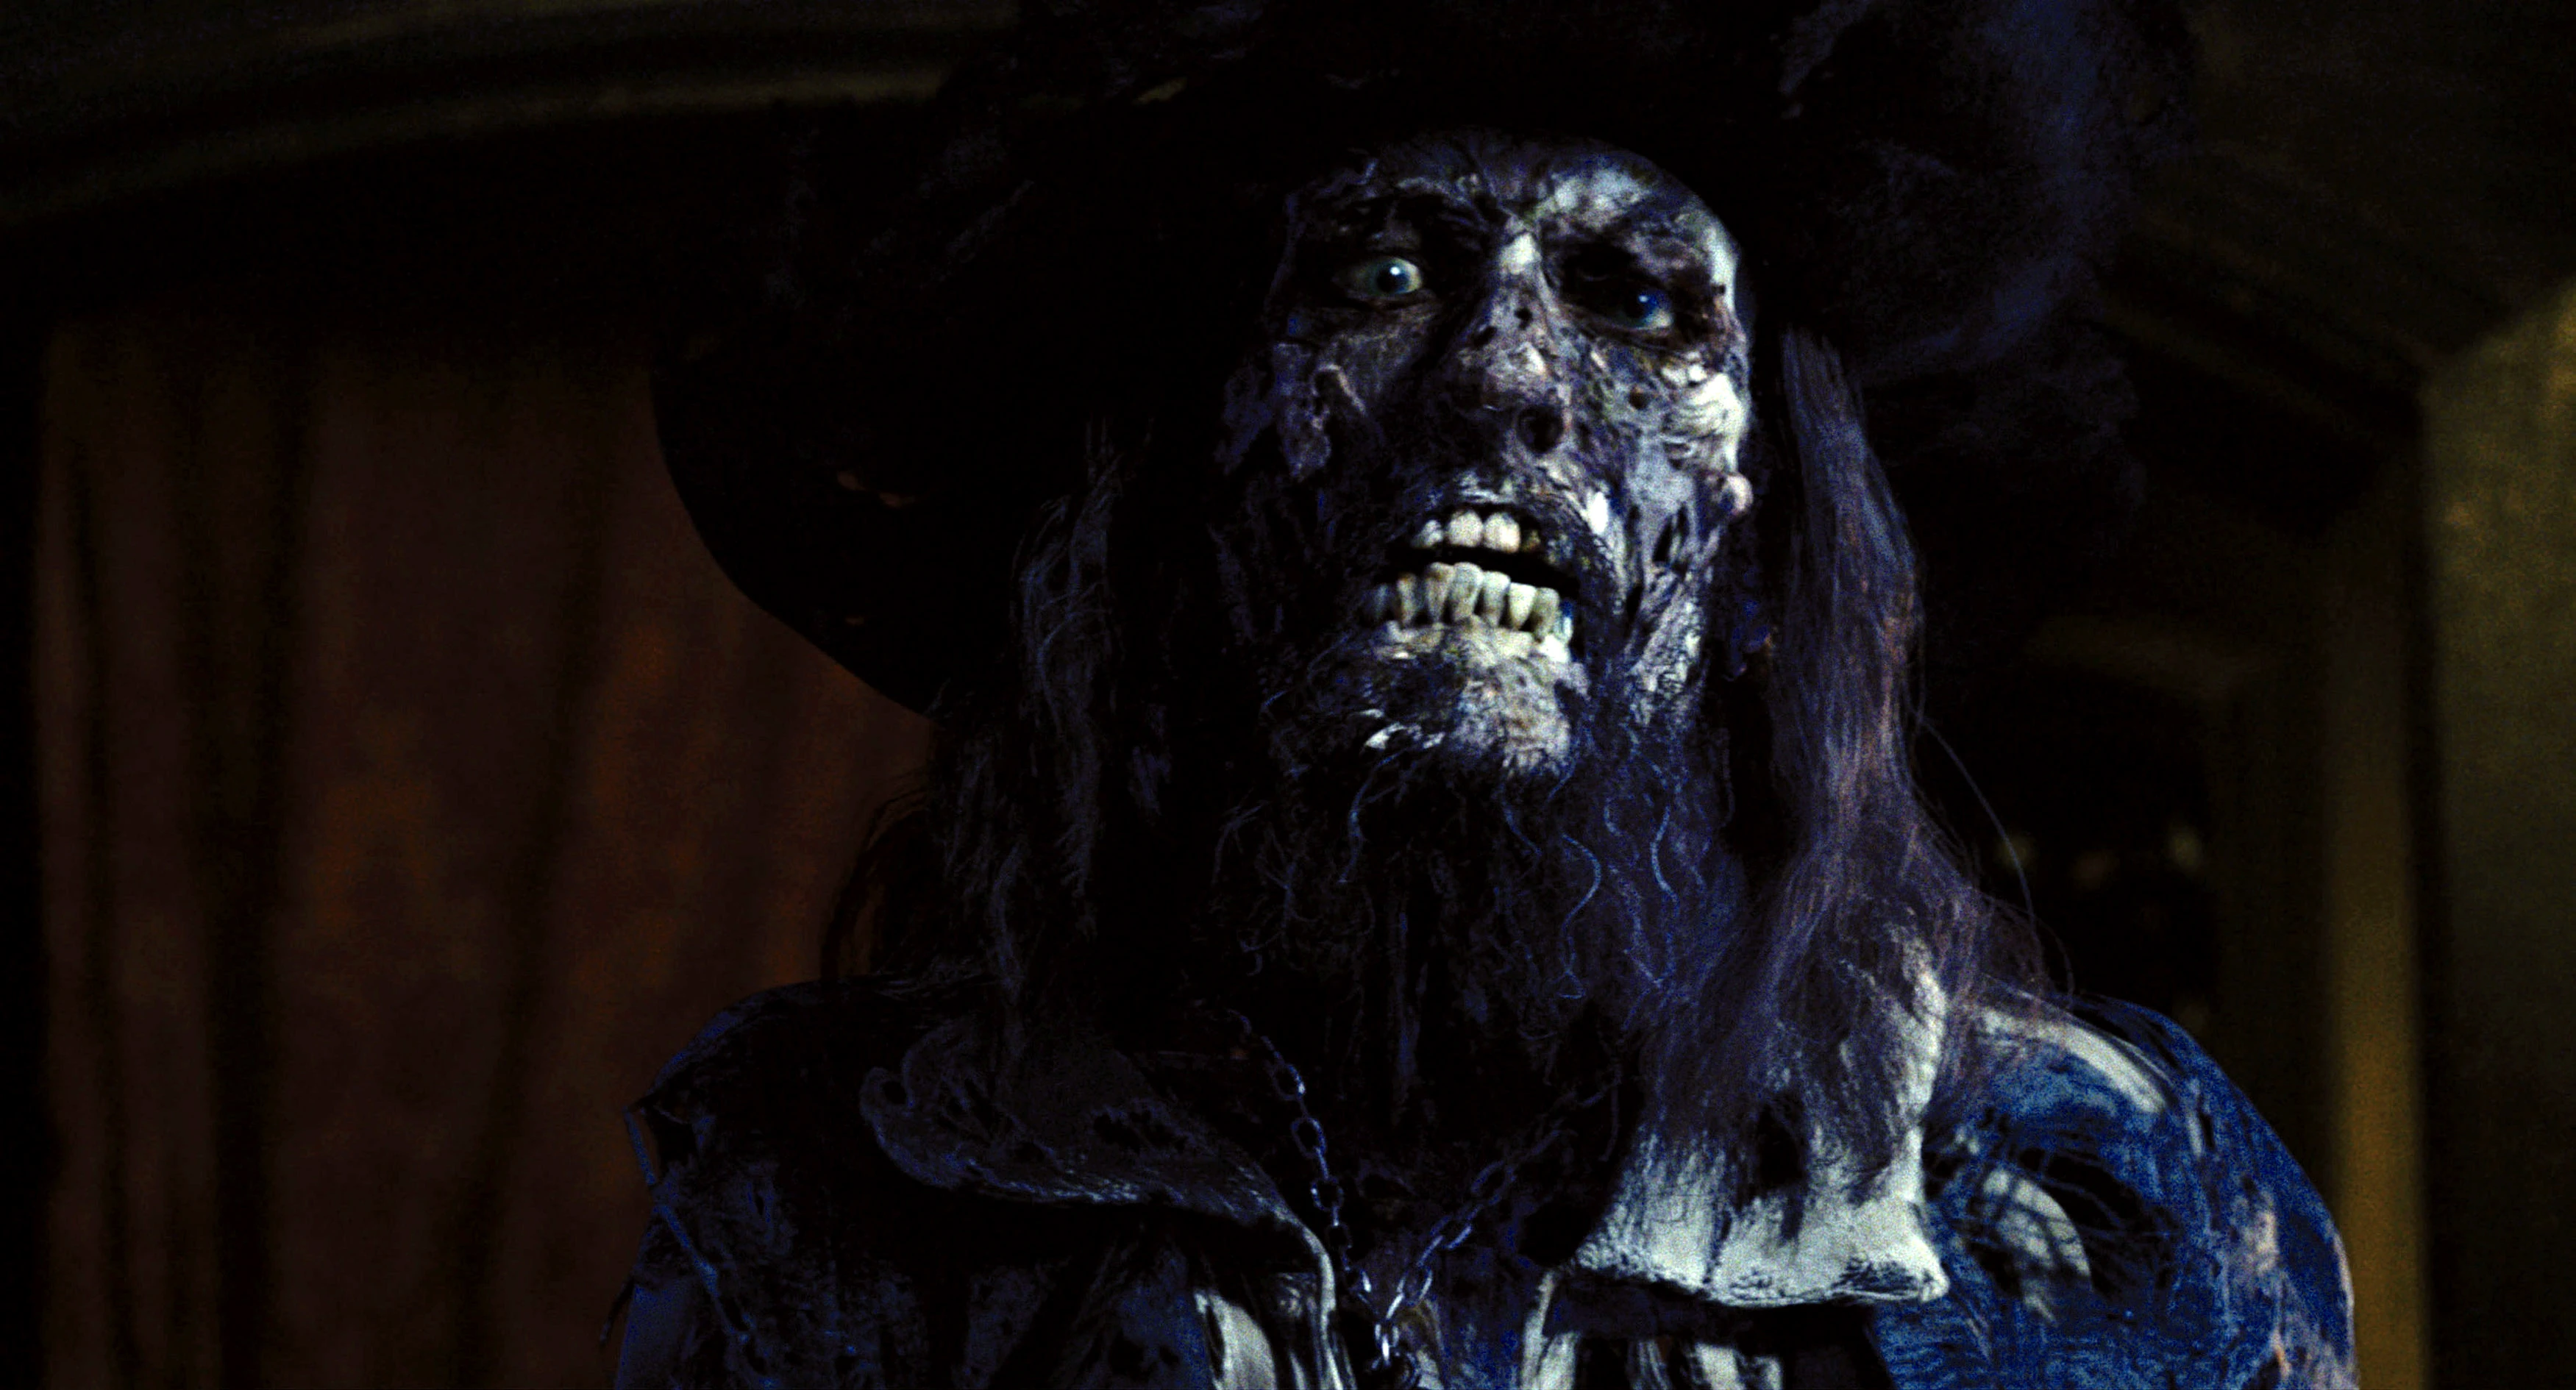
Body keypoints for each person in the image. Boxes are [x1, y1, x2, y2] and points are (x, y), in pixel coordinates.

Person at [618, 1, 2355, 1385]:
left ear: (1765, 552)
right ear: (1195, 481)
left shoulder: (2096, 1199)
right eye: (1381, 275)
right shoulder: (826, 1194)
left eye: (1634, 299)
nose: (1502, 377)